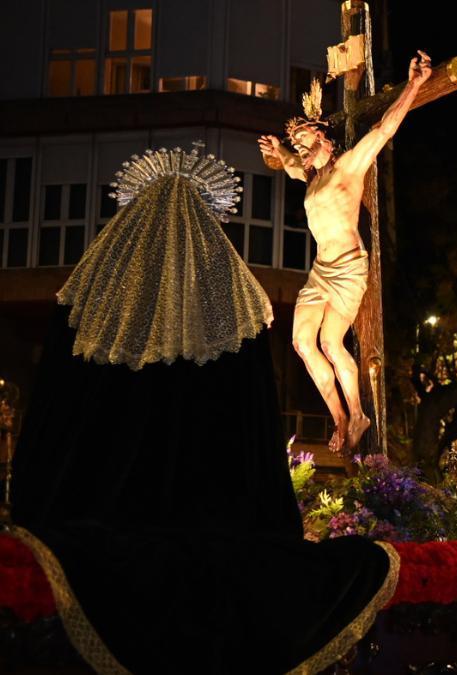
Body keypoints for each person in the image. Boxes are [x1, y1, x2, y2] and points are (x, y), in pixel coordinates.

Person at [12, 158, 397, 671]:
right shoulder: (235, 313)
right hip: (227, 528)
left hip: (88, 523)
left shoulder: (93, 306)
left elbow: (52, 423)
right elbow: (256, 438)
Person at [259, 53, 432, 452]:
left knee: (331, 344)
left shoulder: (349, 167)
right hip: (320, 269)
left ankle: (357, 414)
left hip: (349, 267)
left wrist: (414, 85)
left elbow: (384, 128)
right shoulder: (311, 177)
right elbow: (290, 164)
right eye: (297, 144)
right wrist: (280, 150)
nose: (299, 148)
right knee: (303, 343)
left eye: (304, 140)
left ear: (323, 138)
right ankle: (338, 417)